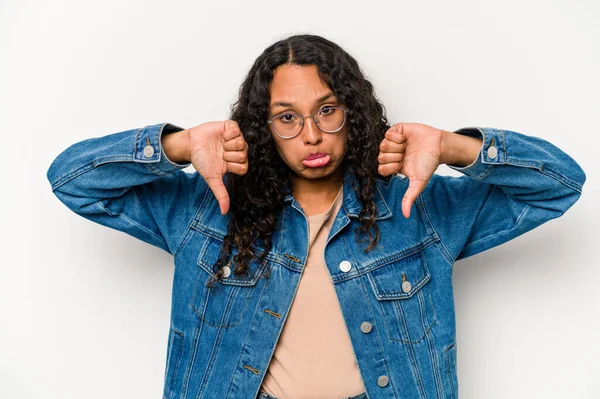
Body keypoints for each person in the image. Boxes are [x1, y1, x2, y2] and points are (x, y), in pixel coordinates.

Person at [46, 34, 586, 399]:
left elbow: (558, 186)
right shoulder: (203, 210)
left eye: (327, 110)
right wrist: (177, 146)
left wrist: (454, 148)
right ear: (263, 126)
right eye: (287, 117)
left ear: (353, 111)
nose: (311, 135)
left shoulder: (419, 210)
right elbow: (72, 181)